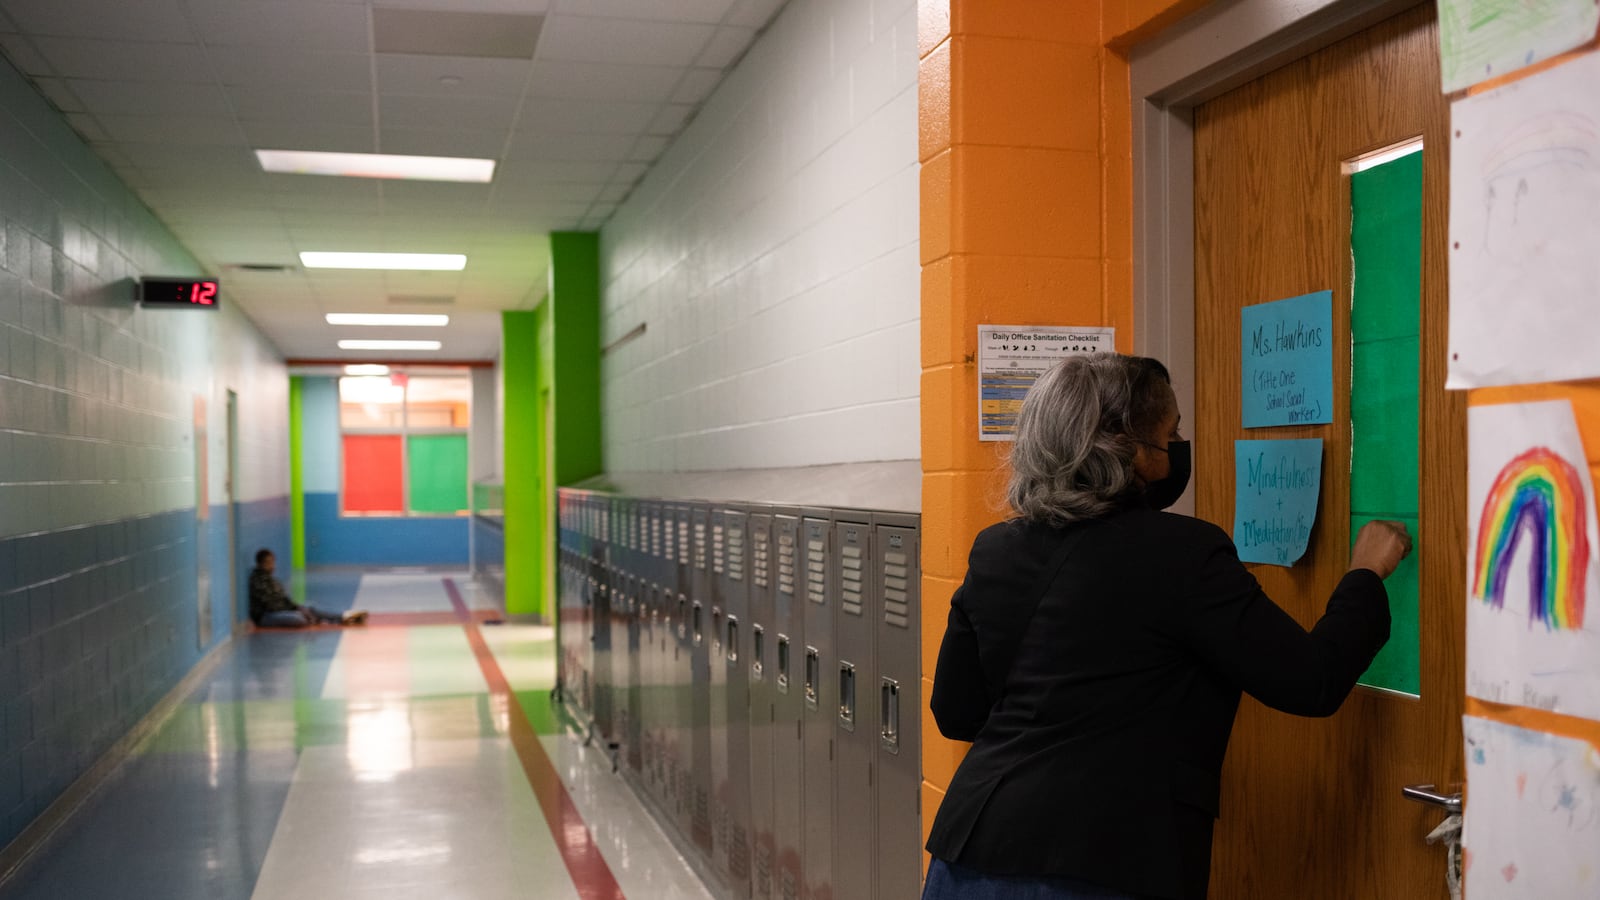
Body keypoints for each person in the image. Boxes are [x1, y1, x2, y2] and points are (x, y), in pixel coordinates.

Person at [923, 354, 1411, 900]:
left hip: (968, 857)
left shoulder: (996, 550)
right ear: (1127, 446)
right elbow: (1310, 679)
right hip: (1105, 865)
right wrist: (1365, 575)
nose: (1180, 446)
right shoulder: (1181, 553)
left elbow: (956, 712)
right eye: (1171, 432)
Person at [248, 549, 367, 627]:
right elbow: (271, 606)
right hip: (266, 617)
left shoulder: (273, 580)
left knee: (311, 607)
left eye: (273, 562)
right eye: (269, 563)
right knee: (298, 619)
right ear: (261, 564)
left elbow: (283, 598)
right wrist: (294, 610)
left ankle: (343, 617)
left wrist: (297, 607)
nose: (273, 566)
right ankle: (312, 619)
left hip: (281, 610)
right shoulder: (258, 581)